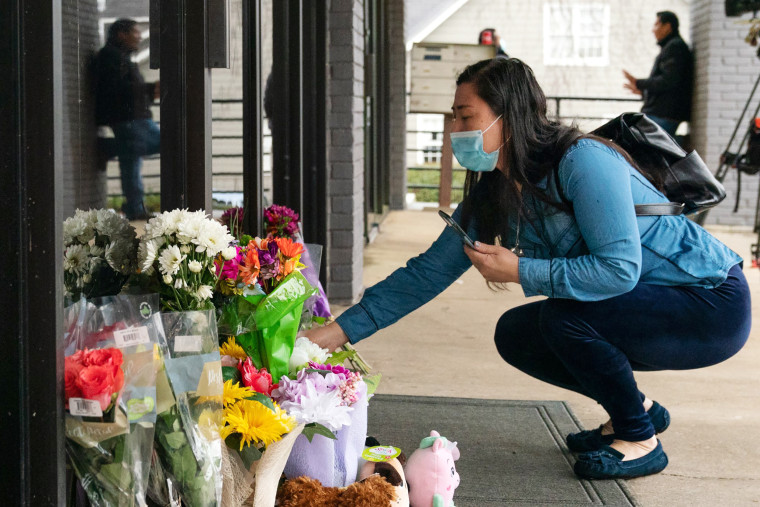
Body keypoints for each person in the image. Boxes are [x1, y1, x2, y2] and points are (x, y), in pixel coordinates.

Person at [305, 57, 751, 480]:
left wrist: (521, 270)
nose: (454, 131)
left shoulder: (582, 161)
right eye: (453, 118)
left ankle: (641, 439)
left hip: (709, 302)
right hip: (641, 306)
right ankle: (635, 410)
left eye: (465, 116)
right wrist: (331, 336)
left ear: (509, 117)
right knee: (518, 334)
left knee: (564, 321)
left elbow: (618, 270)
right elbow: (425, 274)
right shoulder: (496, 190)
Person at [93, 18, 160, 220]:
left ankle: (134, 207)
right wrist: (147, 89)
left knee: (130, 161)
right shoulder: (111, 57)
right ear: (121, 34)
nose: (139, 37)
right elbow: (117, 90)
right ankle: (111, 147)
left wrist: (149, 90)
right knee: (161, 144)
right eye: (135, 32)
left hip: (131, 117)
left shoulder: (119, 57)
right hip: (129, 118)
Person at [623, 11, 693, 137]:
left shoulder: (675, 47)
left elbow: (669, 80)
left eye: (656, 25)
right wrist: (643, 92)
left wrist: (638, 83)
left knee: (641, 149)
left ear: (667, 26)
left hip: (663, 115)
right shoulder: (672, 47)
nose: (653, 30)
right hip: (662, 114)